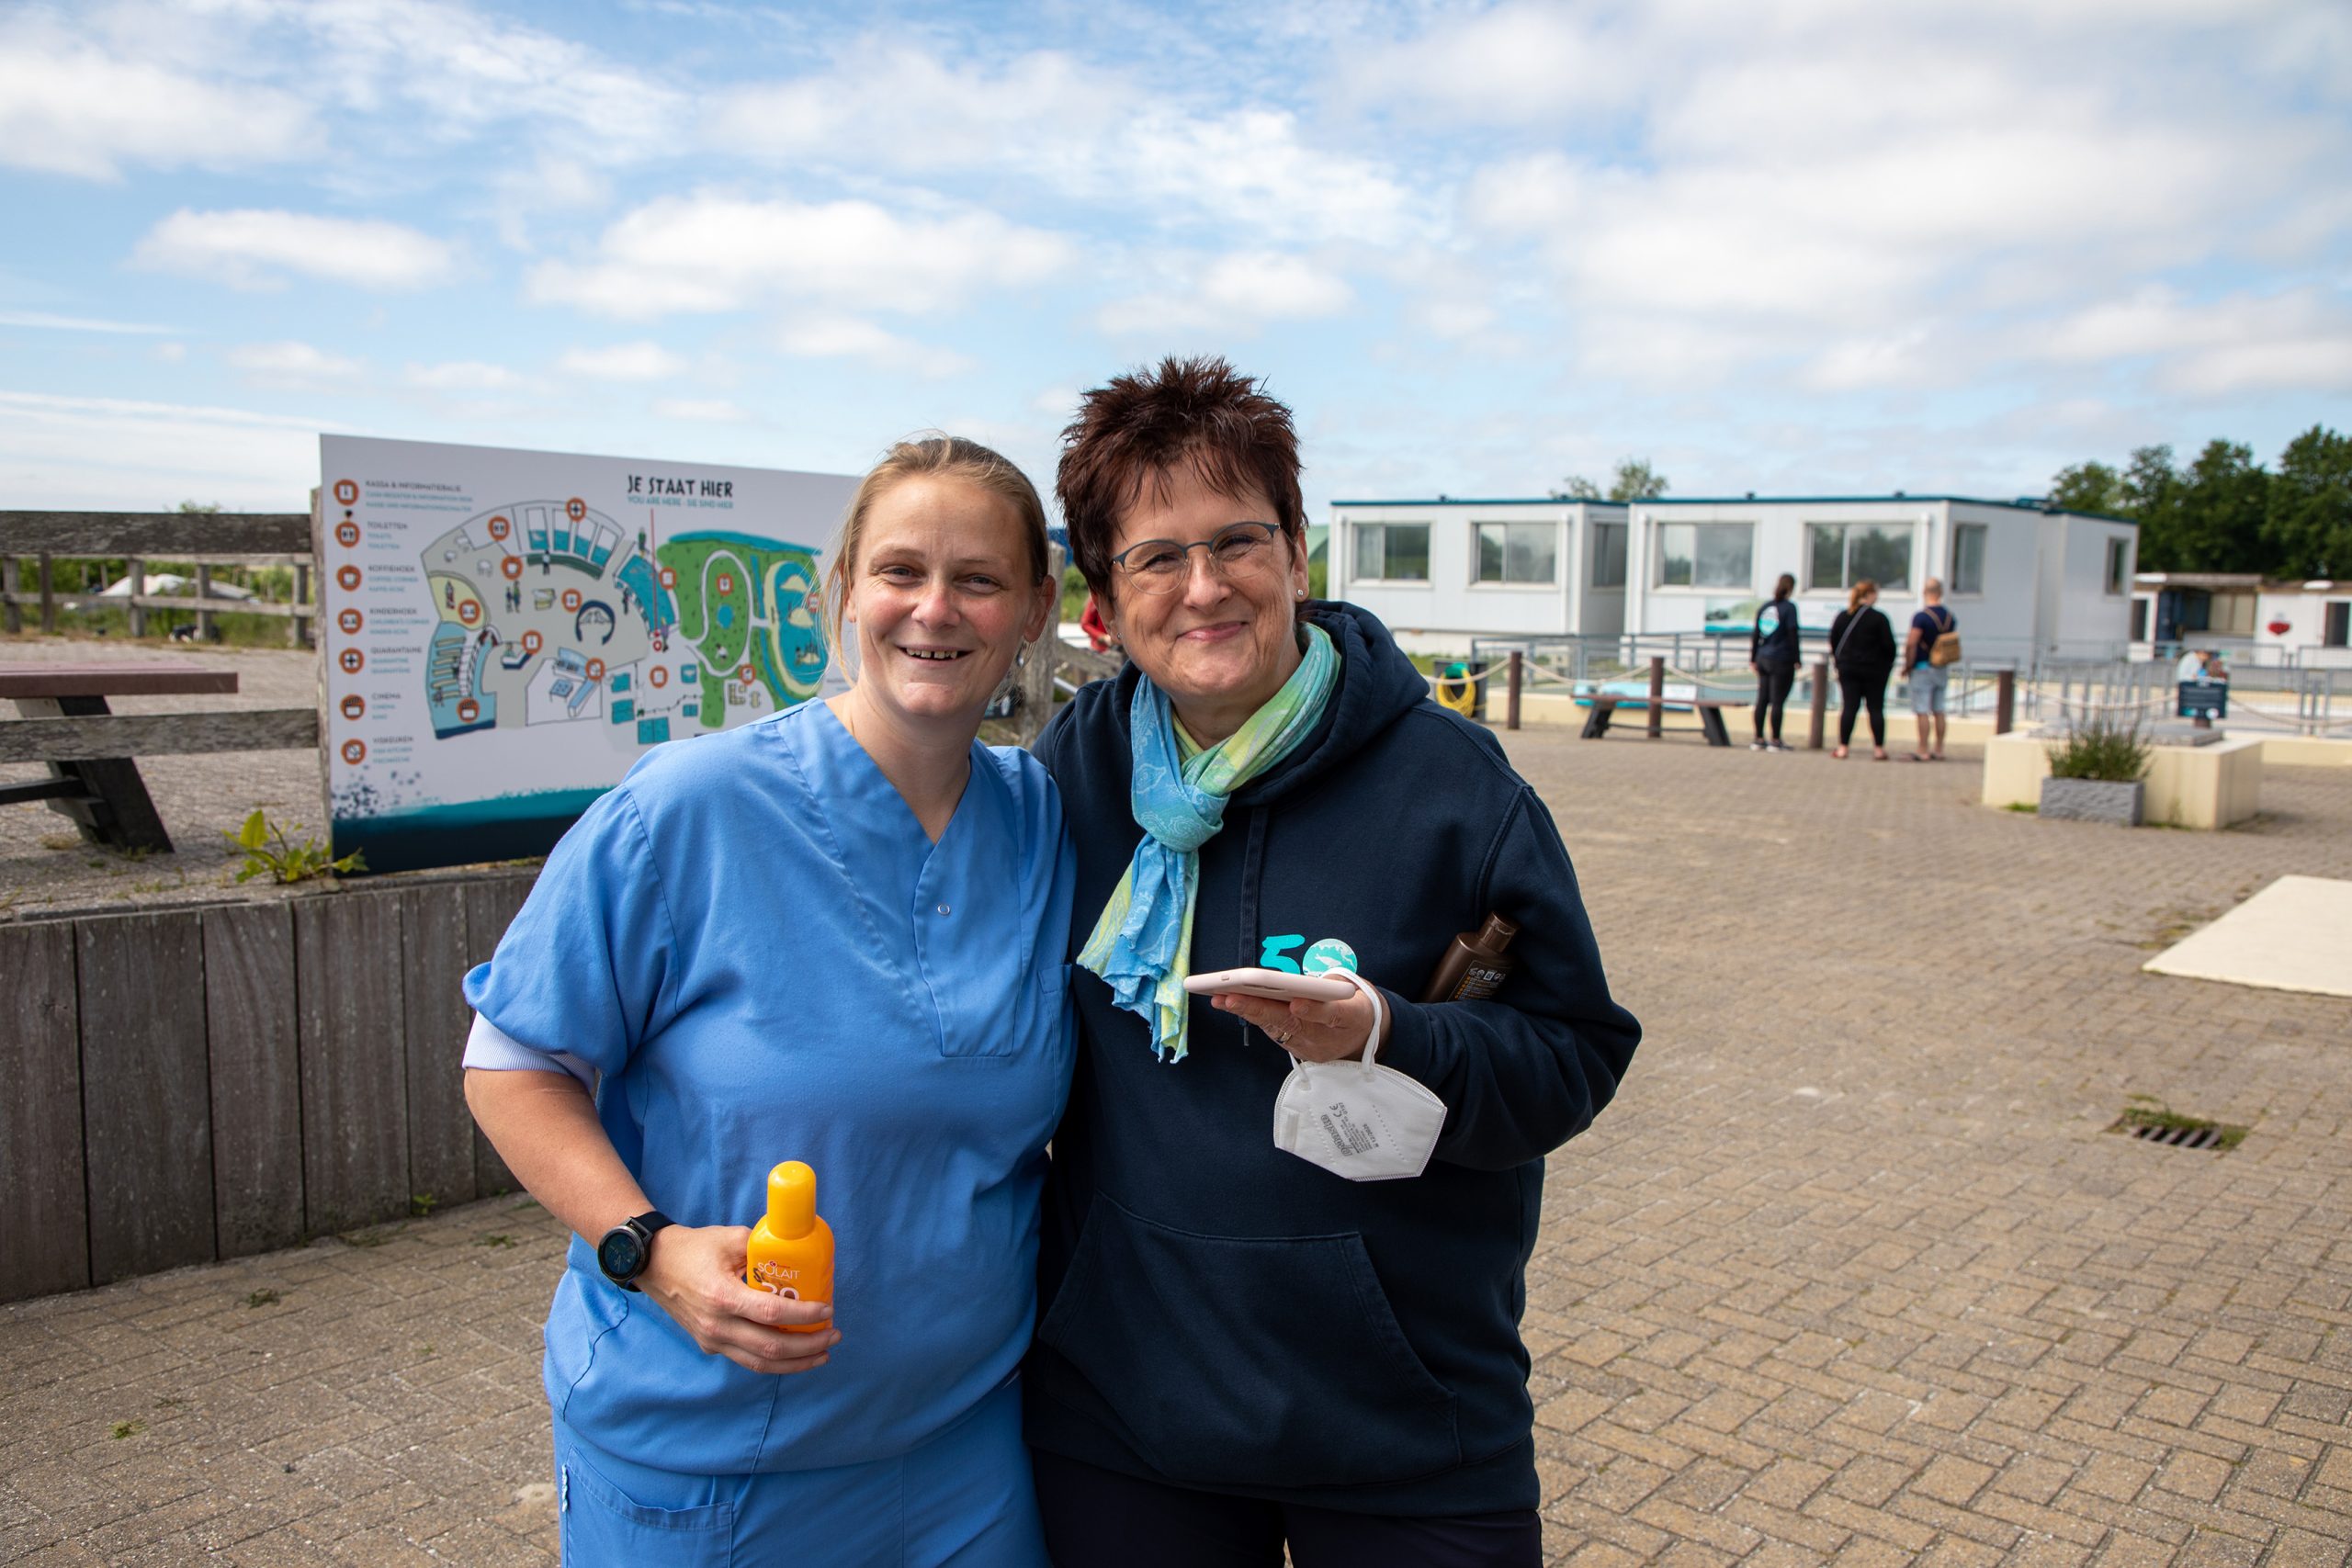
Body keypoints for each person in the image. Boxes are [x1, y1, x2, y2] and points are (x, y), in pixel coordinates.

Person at [1026, 355, 1641, 1567]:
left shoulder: (1454, 785)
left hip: (1407, 1419)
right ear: (1103, 596)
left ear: (1300, 551)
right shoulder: (1069, 774)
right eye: (1157, 555)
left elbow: (1575, 1056)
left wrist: (1386, 1034)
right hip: (1128, 1414)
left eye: (1237, 539)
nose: (1205, 586)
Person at [462, 436, 1069, 1567]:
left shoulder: (1041, 821)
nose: (933, 609)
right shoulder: (688, 808)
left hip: (968, 1447)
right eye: (899, 571)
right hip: (711, 1455)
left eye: (978, 580)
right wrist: (648, 1250)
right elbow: (511, 1062)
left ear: (1034, 610)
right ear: (842, 588)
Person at [1826, 579, 1895, 760]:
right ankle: (1879, 749)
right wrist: (1886, 666)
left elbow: (1833, 641)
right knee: (1876, 709)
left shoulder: (1843, 616)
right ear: (1869, 595)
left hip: (1848, 668)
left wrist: (1840, 662)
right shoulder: (1879, 618)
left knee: (1849, 707)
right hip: (1874, 671)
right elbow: (1889, 646)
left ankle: (1843, 747)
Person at [1903, 577, 1957, 761]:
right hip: (1942, 665)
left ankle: (1923, 748)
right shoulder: (1950, 617)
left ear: (1925, 592)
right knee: (1939, 709)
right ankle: (1939, 748)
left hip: (1923, 667)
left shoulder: (1921, 617)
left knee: (1922, 710)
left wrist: (1907, 665)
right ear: (1940, 593)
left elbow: (1912, 642)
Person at [1747, 572, 1801, 751]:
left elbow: (1756, 634)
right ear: (1791, 588)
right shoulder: (1789, 608)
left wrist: (1753, 658)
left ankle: (1758, 738)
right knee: (1777, 700)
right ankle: (1776, 740)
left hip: (1763, 657)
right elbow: (1792, 634)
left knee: (1762, 699)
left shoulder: (1766, 607)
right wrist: (1797, 658)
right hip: (1781, 658)